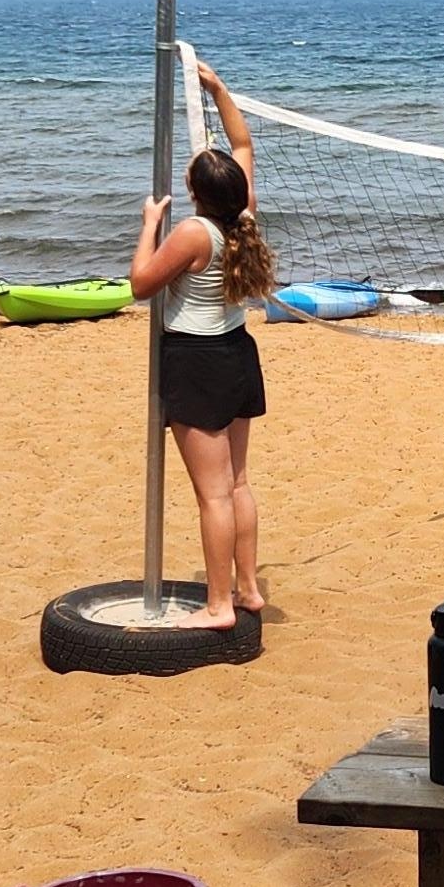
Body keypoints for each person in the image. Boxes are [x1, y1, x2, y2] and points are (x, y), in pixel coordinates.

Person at [127, 61, 272, 629]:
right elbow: (244, 144)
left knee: (213, 494)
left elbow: (141, 285)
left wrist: (149, 223)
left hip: (198, 361)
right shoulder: (244, 217)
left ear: (193, 193)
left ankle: (218, 606)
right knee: (237, 484)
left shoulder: (193, 233)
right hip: (236, 353)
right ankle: (248, 589)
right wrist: (218, 89)